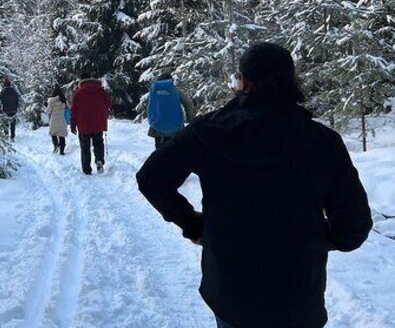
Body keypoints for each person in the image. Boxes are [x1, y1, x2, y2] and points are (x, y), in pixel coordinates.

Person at [136, 43, 372, 328]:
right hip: (298, 296)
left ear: (244, 81)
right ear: (291, 80)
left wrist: (196, 226)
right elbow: (353, 225)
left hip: (231, 293)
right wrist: (320, 237)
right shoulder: (323, 141)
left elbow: (151, 178)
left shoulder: (206, 131)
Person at [70, 74, 111, 175]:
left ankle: (87, 168)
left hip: (83, 124)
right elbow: (109, 104)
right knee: (98, 143)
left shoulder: (78, 92)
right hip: (98, 123)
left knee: (85, 147)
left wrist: (73, 124)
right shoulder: (101, 91)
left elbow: (73, 110)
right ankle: (99, 159)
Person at [147, 71, 195, 149]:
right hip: (175, 127)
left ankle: (160, 160)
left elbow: (150, 107)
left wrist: (152, 121)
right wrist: (190, 120)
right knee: (174, 150)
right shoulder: (175, 91)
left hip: (157, 127)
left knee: (159, 151)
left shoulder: (154, 92)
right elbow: (188, 103)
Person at [45, 85, 69, 155]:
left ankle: (56, 145)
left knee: (53, 134)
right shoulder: (64, 100)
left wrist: (46, 106)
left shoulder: (51, 101)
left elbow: (48, 111)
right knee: (62, 135)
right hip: (62, 119)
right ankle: (62, 150)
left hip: (54, 120)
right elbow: (69, 107)